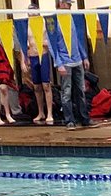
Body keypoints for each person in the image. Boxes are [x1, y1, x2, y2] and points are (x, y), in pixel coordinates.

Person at [50, 0, 90, 129]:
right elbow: (52, 45)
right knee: (66, 93)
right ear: (61, 4)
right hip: (65, 62)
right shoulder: (53, 21)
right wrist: (59, 63)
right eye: (68, 4)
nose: (70, 6)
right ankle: (69, 120)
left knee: (81, 91)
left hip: (77, 60)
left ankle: (84, 118)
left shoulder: (72, 18)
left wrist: (84, 57)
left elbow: (77, 39)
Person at [24, 0, 53, 125]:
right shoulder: (26, 27)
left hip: (44, 56)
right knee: (36, 87)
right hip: (32, 57)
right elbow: (23, 45)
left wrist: (44, 43)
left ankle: (50, 113)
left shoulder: (44, 24)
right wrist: (23, 62)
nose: (32, 16)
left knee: (46, 85)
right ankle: (40, 112)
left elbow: (51, 40)